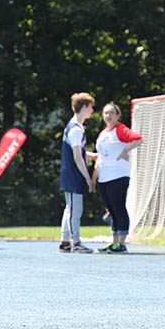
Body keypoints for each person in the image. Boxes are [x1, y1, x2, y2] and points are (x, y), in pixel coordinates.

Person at [91, 102, 143, 253]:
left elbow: (138, 139)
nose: (108, 116)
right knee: (111, 210)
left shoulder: (120, 129)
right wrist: (94, 177)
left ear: (118, 115)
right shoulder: (103, 134)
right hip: (104, 177)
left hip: (118, 175)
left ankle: (121, 243)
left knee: (119, 207)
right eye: (106, 113)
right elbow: (100, 157)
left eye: (112, 113)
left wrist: (125, 150)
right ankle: (114, 242)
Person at [59, 92, 96, 253]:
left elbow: (78, 152)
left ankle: (65, 241)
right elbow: (76, 156)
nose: (92, 111)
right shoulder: (75, 129)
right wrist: (88, 178)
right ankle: (76, 243)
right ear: (84, 107)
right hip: (74, 175)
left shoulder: (75, 126)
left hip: (70, 174)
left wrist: (89, 154)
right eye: (91, 107)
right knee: (75, 210)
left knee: (70, 208)